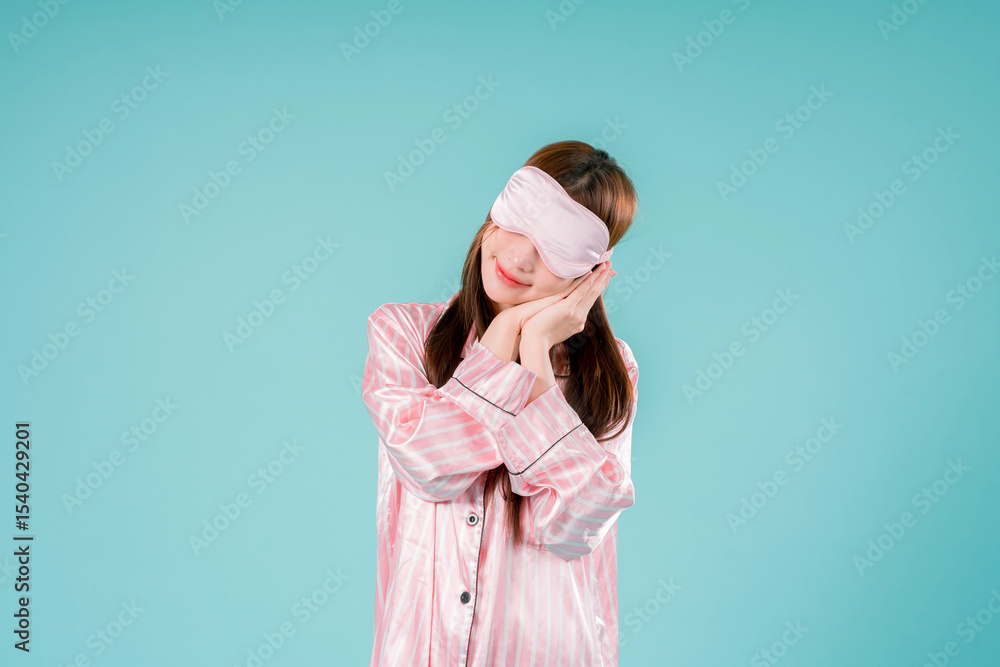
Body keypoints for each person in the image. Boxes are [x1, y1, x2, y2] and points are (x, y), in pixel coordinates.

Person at [361, 140, 640, 666]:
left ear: (590, 273)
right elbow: (429, 465)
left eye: (556, 247)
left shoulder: (610, 371)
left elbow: (575, 527)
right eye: (520, 223)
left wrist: (535, 355)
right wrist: (505, 336)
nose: (519, 257)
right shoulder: (403, 333)